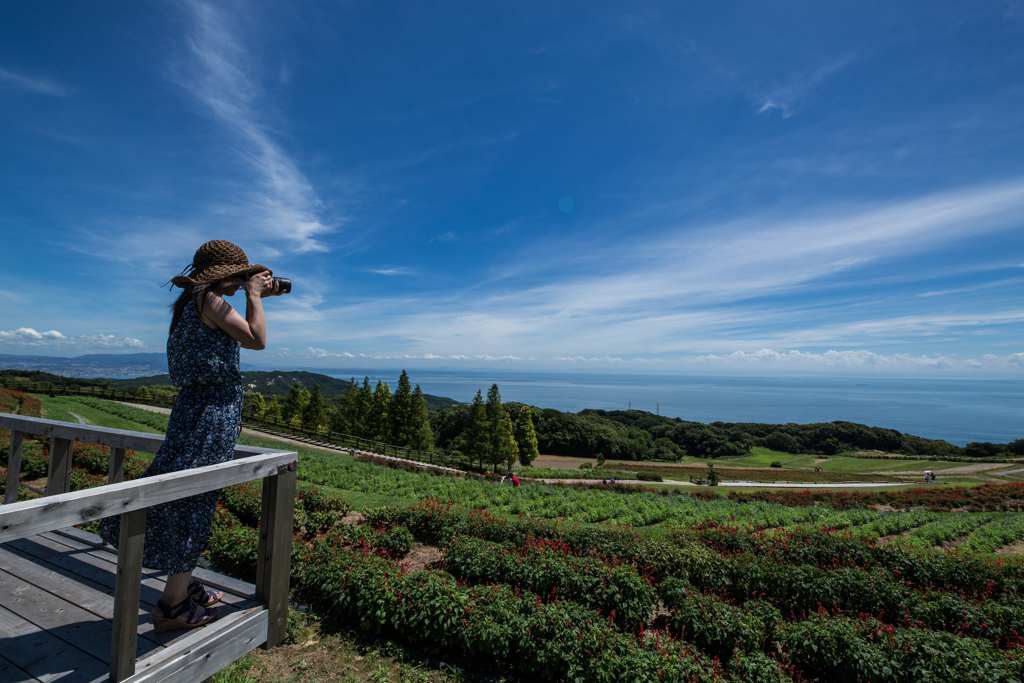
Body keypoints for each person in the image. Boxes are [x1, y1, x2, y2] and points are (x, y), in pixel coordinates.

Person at [99, 240, 282, 632]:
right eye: (238, 276)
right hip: (211, 411)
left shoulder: (188, 302)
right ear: (222, 276)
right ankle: (173, 603)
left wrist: (249, 293)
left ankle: (184, 581)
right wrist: (254, 295)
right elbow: (256, 338)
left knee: (183, 487)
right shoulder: (211, 300)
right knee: (196, 496)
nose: (241, 282)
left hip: (193, 408)